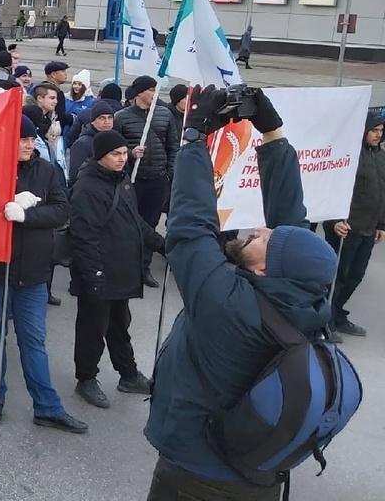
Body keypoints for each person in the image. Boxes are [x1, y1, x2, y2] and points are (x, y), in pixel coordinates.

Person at [145, 86, 340, 498]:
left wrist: (194, 139)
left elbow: (190, 228)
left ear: (266, 269)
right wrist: (272, 134)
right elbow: (291, 226)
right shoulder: (306, 298)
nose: (260, 228)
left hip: (197, 477)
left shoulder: (229, 306)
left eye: (266, 239)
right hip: (259, 478)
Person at [0, 115, 87, 434]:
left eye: (29, 138)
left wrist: (26, 214)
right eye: (19, 139)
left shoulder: (48, 171)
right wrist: (2, 210)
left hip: (34, 273)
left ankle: (47, 407)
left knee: (34, 341)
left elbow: (62, 211)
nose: (26, 144)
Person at [68, 130, 163, 410]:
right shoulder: (87, 188)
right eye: (116, 154)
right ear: (100, 157)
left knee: (120, 327)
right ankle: (86, 378)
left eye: (124, 153)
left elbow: (135, 222)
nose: (123, 159)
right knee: (92, 330)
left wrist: (162, 244)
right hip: (99, 274)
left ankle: (128, 375)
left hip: (121, 272)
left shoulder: (122, 181)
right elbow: (84, 237)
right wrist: (94, 277)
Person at [322, 112, 385, 340]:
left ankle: (338, 314)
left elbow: (382, 193)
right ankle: (324, 321)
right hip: (346, 228)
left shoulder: (380, 157)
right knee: (337, 275)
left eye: (380, 130)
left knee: (355, 275)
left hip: (368, 229)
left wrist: (381, 224)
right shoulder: (348, 155)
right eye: (373, 130)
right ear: (363, 130)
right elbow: (331, 188)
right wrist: (334, 221)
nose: (378, 135)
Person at [115, 75, 177, 288]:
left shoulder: (164, 114)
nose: (154, 93)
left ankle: (144, 268)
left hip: (158, 180)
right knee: (128, 224)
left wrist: (169, 172)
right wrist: (131, 153)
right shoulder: (122, 117)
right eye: (150, 89)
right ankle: (125, 267)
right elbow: (114, 149)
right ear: (139, 92)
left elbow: (173, 147)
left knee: (150, 225)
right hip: (132, 180)